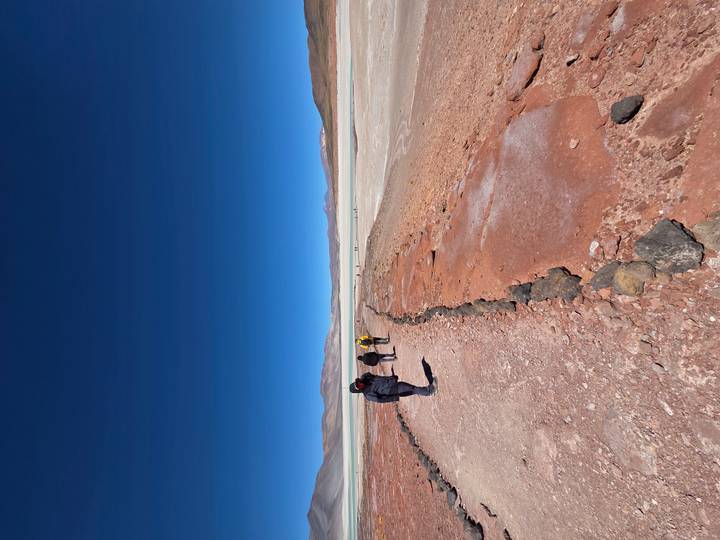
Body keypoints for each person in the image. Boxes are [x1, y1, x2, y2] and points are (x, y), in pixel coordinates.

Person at [349, 358, 436, 403]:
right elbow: (380, 400)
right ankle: (430, 391)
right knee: (412, 388)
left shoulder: (367, 379)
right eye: (358, 386)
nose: (359, 384)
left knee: (411, 391)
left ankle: (427, 391)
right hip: (392, 390)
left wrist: (392, 378)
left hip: (392, 383)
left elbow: (370, 375)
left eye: (358, 382)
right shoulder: (368, 394)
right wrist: (394, 398)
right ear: (359, 390)